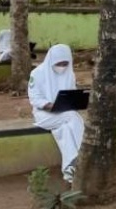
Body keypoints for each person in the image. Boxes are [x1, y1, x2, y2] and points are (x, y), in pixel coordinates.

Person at [28, 44, 84, 183]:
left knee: (64, 129)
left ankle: (70, 169)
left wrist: (74, 102)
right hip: (44, 114)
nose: (62, 66)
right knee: (73, 117)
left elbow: (71, 93)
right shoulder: (37, 73)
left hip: (64, 113)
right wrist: (50, 106)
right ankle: (84, 155)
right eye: (59, 63)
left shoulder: (70, 73)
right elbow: (35, 98)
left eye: (65, 63)